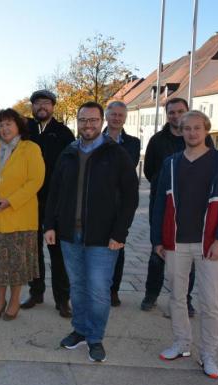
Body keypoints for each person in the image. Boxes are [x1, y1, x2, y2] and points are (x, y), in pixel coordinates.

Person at [44, 102, 138, 362]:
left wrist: (120, 234)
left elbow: (130, 197)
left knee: (98, 290)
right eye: (83, 120)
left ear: (102, 121)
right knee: (77, 287)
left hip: (102, 237)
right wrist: (49, 225)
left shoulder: (116, 154)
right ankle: (80, 330)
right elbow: (54, 192)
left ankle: (95, 337)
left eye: (93, 120)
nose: (88, 125)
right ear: (77, 121)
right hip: (68, 236)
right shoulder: (68, 153)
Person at [152, 110, 218, 379]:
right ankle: (181, 343)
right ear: (180, 131)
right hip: (176, 242)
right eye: (186, 128)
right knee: (177, 297)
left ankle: (209, 354)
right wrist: (157, 239)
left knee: (210, 303)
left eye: (197, 128)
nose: (191, 133)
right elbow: (159, 203)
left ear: (206, 130)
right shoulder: (171, 163)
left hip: (208, 243)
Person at [0, 108, 45, 321]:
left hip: (19, 218)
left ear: (18, 126)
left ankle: (14, 301)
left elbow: (35, 181)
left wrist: (10, 201)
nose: (5, 128)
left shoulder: (30, 149)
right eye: (1, 125)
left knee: (16, 265)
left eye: (9, 124)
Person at [20, 89, 75, 318]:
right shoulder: (25, 130)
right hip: (29, 201)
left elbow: (71, 168)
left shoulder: (63, 133)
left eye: (46, 103)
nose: (42, 107)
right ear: (32, 107)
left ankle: (62, 299)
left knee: (57, 253)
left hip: (56, 202)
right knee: (32, 252)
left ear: (53, 106)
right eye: (37, 103)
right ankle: (36, 292)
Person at [142, 98, 198, 315]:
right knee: (157, 252)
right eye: (171, 112)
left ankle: (185, 299)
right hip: (162, 205)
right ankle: (151, 294)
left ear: (187, 111)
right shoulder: (157, 141)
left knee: (189, 255)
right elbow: (148, 171)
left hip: (191, 206)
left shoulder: (196, 137)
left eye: (180, 111)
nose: (176, 116)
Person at [103, 100, 142, 307]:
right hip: (97, 201)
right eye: (113, 114)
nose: (117, 118)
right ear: (106, 117)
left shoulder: (133, 142)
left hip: (121, 204)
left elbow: (128, 165)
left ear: (125, 118)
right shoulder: (94, 138)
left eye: (120, 115)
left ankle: (113, 290)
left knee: (117, 245)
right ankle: (97, 288)